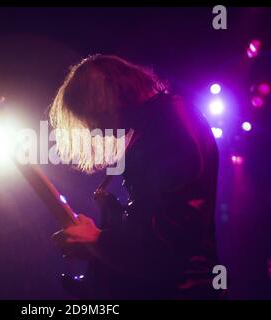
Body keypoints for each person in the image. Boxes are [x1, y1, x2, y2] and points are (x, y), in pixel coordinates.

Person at [49, 55, 220, 299]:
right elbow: (149, 224)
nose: (92, 128)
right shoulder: (156, 123)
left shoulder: (171, 124)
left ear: (104, 98)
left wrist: (99, 241)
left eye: (89, 115)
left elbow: (171, 243)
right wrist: (99, 240)